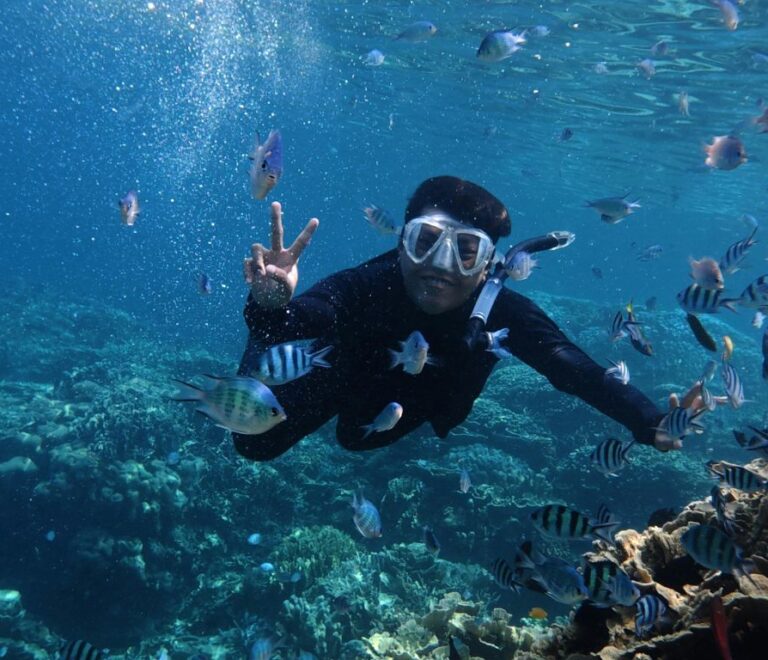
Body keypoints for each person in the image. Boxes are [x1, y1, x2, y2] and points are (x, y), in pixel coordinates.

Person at [234, 176, 678, 462]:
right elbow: (298, 321)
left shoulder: (499, 307)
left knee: (357, 439)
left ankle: (469, 360)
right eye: (425, 241)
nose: (442, 265)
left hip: (419, 392)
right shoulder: (368, 283)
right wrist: (270, 304)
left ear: (489, 264)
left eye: (466, 251)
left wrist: (647, 418)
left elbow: (570, 366)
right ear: (401, 243)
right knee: (253, 442)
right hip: (341, 372)